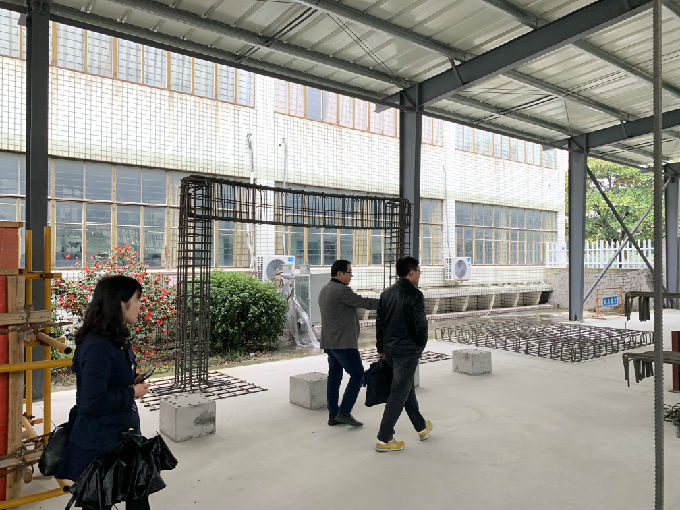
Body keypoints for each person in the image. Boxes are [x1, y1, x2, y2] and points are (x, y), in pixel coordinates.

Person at [57, 275, 152, 509]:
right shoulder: (98, 345)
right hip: (101, 444)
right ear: (121, 303)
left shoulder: (115, 338)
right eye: (137, 299)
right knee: (99, 504)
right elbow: (92, 402)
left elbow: (109, 380)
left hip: (124, 437)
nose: (141, 305)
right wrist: (132, 393)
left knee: (138, 497)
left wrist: (131, 381)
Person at [374, 256, 432, 452]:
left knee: (406, 389)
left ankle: (421, 427)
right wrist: (420, 347)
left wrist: (381, 348)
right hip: (407, 352)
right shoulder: (415, 295)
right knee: (399, 393)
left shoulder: (386, 294)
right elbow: (420, 326)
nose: (419, 274)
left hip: (390, 351)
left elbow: (380, 324)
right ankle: (384, 438)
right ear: (411, 272)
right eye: (418, 271)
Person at [318, 259, 379, 427]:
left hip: (330, 343)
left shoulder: (324, 289)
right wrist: (387, 301)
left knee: (334, 377)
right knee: (358, 375)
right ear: (339, 274)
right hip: (343, 344)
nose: (351, 276)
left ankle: (333, 415)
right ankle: (344, 413)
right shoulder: (342, 291)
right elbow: (363, 302)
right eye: (349, 272)